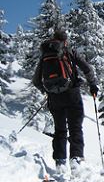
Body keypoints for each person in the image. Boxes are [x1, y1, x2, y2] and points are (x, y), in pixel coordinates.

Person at [32, 29, 99, 174]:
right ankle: (75, 159)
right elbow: (87, 68)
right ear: (65, 41)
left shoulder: (45, 55)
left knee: (59, 129)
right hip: (72, 94)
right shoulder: (68, 51)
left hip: (54, 98)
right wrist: (92, 84)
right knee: (75, 127)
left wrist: (48, 91)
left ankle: (60, 162)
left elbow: (36, 80)